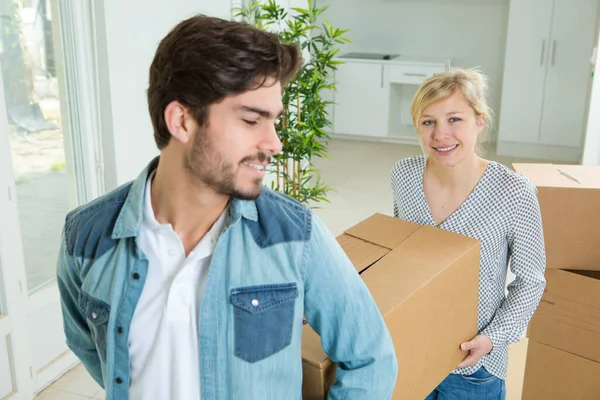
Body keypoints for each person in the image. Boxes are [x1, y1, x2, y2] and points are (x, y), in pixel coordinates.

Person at [56, 15, 397, 400]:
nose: (274, 144)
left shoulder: (294, 235)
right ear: (182, 121)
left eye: (274, 122)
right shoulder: (86, 237)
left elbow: (371, 357)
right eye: (252, 120)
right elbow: (88, 345)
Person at [390, 68, 546, 399]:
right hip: (411, 350)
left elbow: (531, 281)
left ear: (480, 121)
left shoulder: (514, 191)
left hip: (473, 366)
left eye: (455, 119)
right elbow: (398, 257)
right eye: (428, 122)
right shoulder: (403, 175)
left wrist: (492, 338)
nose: (440, 134)